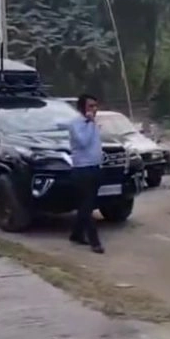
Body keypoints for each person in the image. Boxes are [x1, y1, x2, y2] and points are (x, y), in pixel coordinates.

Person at [59, 93, 105, 254]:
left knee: (88, 204)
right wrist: (90, 124)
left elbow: (95, 145)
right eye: (90, 106)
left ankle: (76, 234)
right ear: (82, 108)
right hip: (82, 169)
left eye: (95, 106)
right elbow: (83, 142)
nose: (94, 109)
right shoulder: (76, 124)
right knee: (86, 206)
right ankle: (95, 241)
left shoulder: (94, 124)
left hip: (95, 167)